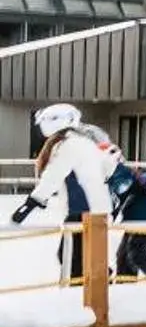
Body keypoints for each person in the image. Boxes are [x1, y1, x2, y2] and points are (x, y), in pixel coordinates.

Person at [10, 104, 118, 279]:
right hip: (94, 208)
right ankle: (96, 284)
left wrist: (32, 203)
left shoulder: (70, 144)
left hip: (84, 210)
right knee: (83, 256)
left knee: (71, 257)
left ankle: (84, 293)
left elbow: (54, 174)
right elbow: (107, 169)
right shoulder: (83, 141)